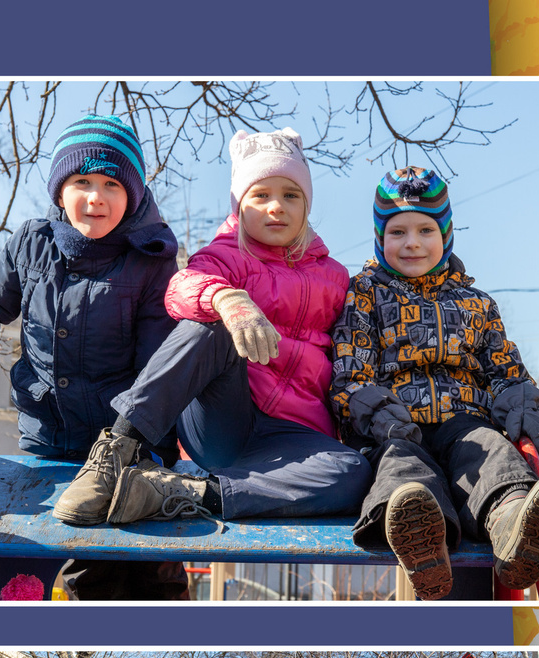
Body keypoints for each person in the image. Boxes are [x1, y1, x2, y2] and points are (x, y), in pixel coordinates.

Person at [0, 113, 186, 602]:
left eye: (112, 183)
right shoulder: (32, 244)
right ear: (59, 189)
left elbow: (156, 364)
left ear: (131, 194)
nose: (95, 197)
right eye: (82, 181)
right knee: (20, 575)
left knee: (133, 574)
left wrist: (139, 440)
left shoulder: (150, 258)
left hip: (125, 451)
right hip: (46, 444)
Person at [62, 128, 368, 530]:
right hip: (223, 419)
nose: (276, 206)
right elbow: (181, 289)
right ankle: (116, 449)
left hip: (292, 436)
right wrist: (226, 299)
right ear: (240, 205)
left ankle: (185, 493)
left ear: (307, 205)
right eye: (260, 195)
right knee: (213, 324)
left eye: (290, 195)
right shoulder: (226, 254)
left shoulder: (336, 277)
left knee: (353, 472)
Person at [329, 167, 539, 598]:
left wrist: (523, 408)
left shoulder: (475, 303)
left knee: (491, 452)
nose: (412, 243)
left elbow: (505, 370)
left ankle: (514, 529)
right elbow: (351, 369)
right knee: (402, 468)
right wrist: (376, 411)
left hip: (464, 419)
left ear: (445, 236)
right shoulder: (365, 293)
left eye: (426, 229)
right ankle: (423, 540)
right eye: (397, 232)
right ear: (379, 238)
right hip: (396, 426)